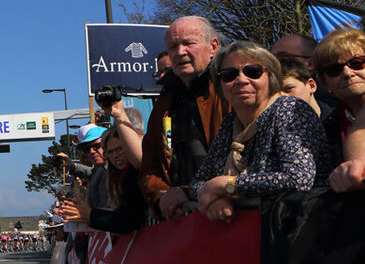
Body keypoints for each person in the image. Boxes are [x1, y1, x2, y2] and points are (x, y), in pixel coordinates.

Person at [191, 41, 332, 222]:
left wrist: (229, 186)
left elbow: (298, 178)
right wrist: (216, 199)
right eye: (229, 75)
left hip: (301, 231)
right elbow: (200, 183)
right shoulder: (230, 124)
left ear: (271, 77)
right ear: (219, 85)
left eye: (253, 72)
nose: (241, 80)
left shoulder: (290, 110)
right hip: (255, 236)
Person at [139, 16, 231, 221]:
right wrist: (162, 196)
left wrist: (189, 192)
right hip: (179, 221)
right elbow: (150, 163)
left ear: (213, 46)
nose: (180, 52)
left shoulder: (231, 90)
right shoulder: (164, 103)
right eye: (173, 46)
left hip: (228, 214)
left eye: (189, 43)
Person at [314, 28, 365, 192]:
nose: (348, 73)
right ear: (325, 83)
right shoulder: (324, 131)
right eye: (334, 70)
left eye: (357, 63)